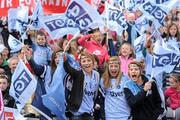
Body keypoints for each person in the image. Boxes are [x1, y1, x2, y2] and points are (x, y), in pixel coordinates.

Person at [64, 52, 100, 120]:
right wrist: (65, 61)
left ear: (93, 62)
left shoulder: (96, 75)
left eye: (89, 60)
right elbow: (69, 69)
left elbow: (96, 92)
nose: (87, 63)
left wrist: (95, 104)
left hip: (89, 112)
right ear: (80, 64)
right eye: (83, 61)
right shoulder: (79, 73)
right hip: (77, 113)